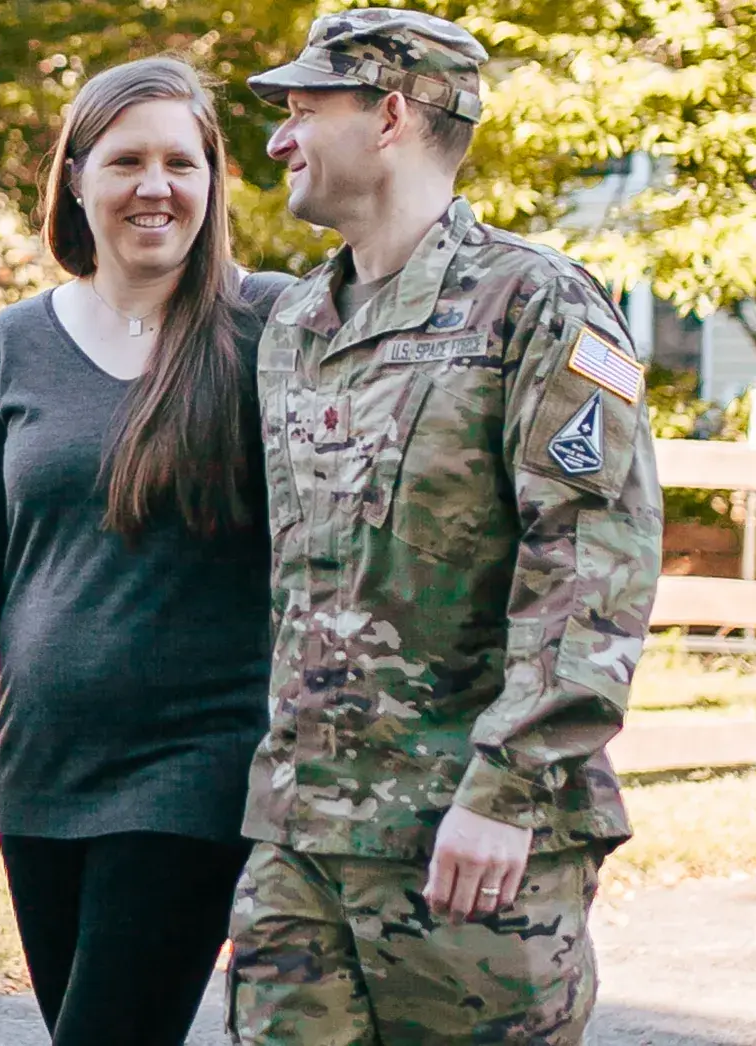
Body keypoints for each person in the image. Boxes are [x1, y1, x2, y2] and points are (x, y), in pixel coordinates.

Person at [229, 10, 665, 1043]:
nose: (278, 141)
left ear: (389, 113)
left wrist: (507, 790)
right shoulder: (294, 325)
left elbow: (593, 567)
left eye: (301, 112)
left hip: (470, 841)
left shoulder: (541, 306)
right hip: (301, 840)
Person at [0, 56, 290, 1045]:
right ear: (76, 177)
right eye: (126, 160)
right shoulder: (11, 346)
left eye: (182, 161)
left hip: (198, 771)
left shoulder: (276, 329)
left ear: (212, 180)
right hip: (37, 775)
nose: (155, 185)